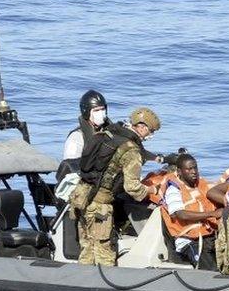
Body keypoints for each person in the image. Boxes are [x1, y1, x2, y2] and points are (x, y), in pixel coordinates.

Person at [68, 107, 161, 265]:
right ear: (142, 127)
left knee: (87, 247)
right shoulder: (132, 151)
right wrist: (152, 189)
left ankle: (84, 282)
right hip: (100, 207)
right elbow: (133, 188)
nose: (150, 135)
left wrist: (161, 159)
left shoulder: (110, 133)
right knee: (104, 252)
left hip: (82, 196)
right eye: (150, 131)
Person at [63, 89, 172, 165]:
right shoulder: (77, 138)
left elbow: (135, 149)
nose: (101, 113)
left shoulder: (111, 130)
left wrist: (158, 158)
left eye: (102, 109)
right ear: (86, 112)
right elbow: (70, 167)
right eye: (96, 110)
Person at [160, 154, 223, 270]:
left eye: (195, 168)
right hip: (188, 240)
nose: (194, 172)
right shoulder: (173, 190)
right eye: (189, 169)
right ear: (179, 171)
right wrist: (212, 214)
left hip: (208, 236)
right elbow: (180, 214)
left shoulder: (202, 185)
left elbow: (220, 189)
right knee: (209, 268)